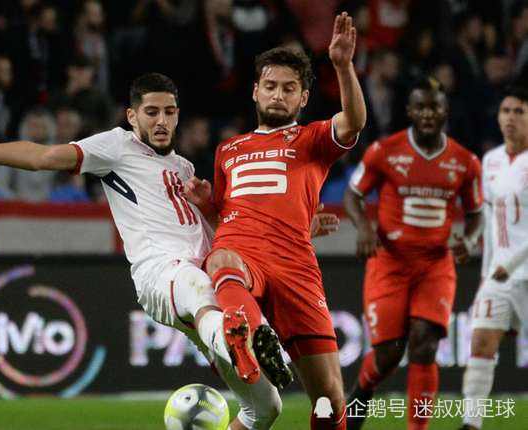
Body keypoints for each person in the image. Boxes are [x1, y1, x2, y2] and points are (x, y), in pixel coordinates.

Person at [0, 72, 337, 430]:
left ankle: (236, 340)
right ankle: (243, 339)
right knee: (199, 288)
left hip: (206, 288)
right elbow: (44, 157)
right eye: (151, 112)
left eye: (169, 112)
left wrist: (297, 228)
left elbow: (227, 232)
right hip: (163, 274)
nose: (161, 121)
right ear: (132, 116)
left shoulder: (184, 169)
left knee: (264, 409)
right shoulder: (116, 147)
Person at [185, 12, 365, 430]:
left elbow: (354, 122)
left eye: (289, 88)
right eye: (270, 86)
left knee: (330, 401)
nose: (278, 95)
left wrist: (342, 65)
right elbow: (228, 215)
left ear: (303, 98)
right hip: (242, 252)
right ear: (255, 91)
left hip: (295, 265)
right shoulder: (228, 149)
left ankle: (247, 336)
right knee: (221, 257)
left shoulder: (312, 139)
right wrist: (209, 205)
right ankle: (244, 337)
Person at [344, 77, 483, 430]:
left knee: (424, 344)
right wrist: (364, 228)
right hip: (389, 261)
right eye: (420, 107)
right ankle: (362, 388)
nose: (427, 114)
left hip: (435, 265)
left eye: (434, 107)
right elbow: (353, 194)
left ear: (445, 111)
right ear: (409, 111)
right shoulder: (384, 151)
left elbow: (476, 213)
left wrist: (469, 240)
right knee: (389, 353)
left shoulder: (465, 162)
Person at [460, 86, 528, 430]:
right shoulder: (491, 161)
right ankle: (471, 424)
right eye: (506, 111)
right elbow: (488, 219)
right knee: (481, 342)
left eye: (519, 112)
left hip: (520, 270)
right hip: (498, 275)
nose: (511, 118)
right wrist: (484, 267)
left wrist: (512, 263)